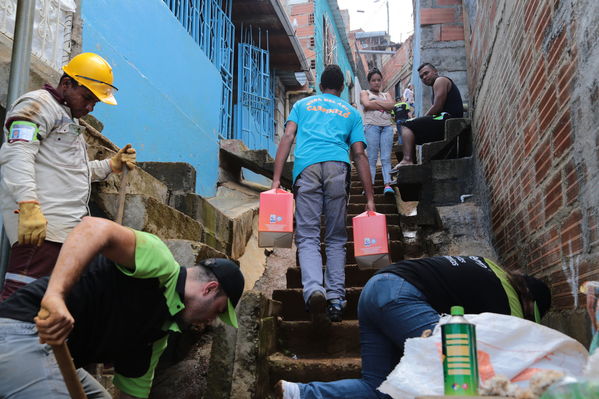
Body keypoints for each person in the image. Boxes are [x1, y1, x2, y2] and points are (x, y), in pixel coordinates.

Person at [0, 216, 244, 399]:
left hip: (58, 359)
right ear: (210, 289)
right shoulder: (160, 265)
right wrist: (55, 296)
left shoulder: (157, 336)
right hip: (23, 331)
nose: (212, 320)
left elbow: (132, 394)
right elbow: (92, 227)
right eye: (219, 310)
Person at [275, 255, 552, 399]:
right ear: (528, 300)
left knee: (379, 388)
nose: (527, 320)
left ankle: (295, 393)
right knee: (454, 373)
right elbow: (507, 354)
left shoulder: (490, 266)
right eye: (531, 315)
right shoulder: (510, 304)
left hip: (376, 289)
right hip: (402, 295)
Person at [0, 52, 137, 301]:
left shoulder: (66, 117)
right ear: (66, 83)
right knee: (20, 304)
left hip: (62, 233)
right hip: (42, 230)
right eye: (87, 97)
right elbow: (17, 152)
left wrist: (110, 165)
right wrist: (28, 205)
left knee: (46, 307)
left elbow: (69, 170)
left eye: (94, 103)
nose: (89, 107)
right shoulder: (38, 104)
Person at [271, 65, 375, 324]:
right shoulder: (351, 112)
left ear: (320, 84)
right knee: (336, 237)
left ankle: (314, 289)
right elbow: (360, 154)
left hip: (307, 168)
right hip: (338, 167)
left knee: (307, 235)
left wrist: (275, 179)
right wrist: (370, 197)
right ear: (341, 88)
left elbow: (287, 136)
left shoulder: (303, 105)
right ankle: (336, 301)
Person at [394, 63, 464, 168]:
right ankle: (412, 164)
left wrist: (422, 119)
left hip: (448, 119)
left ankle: (407, 160)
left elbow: (437, 107)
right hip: (444, 121)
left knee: (406, 125)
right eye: (421, 77)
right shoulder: (436, 86)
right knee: (412, 135)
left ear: (435, 71)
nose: (424, 77)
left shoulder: (440, 81)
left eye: (426, 73)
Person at [360, 68, 396, 196]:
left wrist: (374, 102)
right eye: (373, 80)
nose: (376, 83)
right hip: (371, 127)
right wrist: (383, 105)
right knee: (372, 158)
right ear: (369, 82)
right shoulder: (364, 92)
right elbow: (367, 105)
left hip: (387, 127)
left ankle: (388, 185)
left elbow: (392, 106)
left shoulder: (387, 94)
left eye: (378, 80)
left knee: (386, 158)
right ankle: (370, 187)